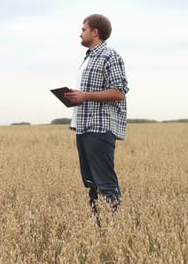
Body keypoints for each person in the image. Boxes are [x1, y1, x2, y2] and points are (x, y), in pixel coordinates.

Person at [64, 14, 129, 221]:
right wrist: (75, 96)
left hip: (100, 129)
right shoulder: (89, 58)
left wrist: (84, 96)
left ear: (95, 32)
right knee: (91, 182)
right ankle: (98, 227)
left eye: (83, 29)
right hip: (83, 127)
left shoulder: (110, 56)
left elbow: (119, 92)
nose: (80, 33)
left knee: (105, 182)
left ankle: (114, 226)